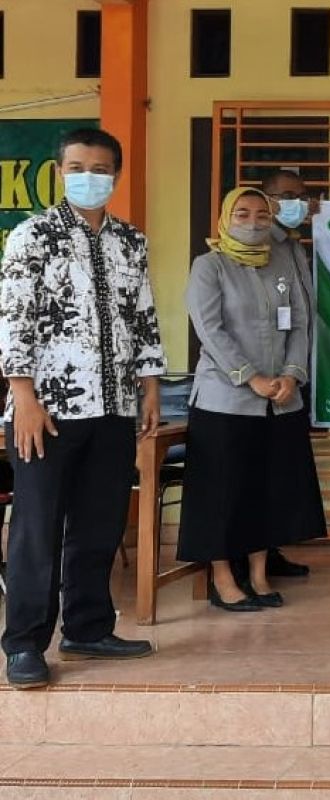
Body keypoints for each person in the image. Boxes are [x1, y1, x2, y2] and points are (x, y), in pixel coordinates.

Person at [0, 128, 164, 688]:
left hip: (115, 405)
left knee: (99, 523)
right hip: (47, 409)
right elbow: (14, 318)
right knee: (37, 528)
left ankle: (88, 627)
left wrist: (149, 386)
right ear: (60, 171)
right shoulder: (32, 237)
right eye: (77, 167)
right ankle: (24, 643)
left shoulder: (131, 242)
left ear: (115, 175)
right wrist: (22, 395)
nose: (88, 177)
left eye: (100, 168)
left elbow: (142, 317)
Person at [177, 187, 327, 612]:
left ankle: (259, 575)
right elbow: (210, 330)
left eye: (262, 215)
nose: (254, 222)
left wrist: (293, 375)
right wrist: (251, 378)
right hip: (225, 401)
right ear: (226, 218)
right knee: (223, 493)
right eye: (242, 214)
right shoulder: (209, 266)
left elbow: (300, 323)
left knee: (267, 490)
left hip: (280, 399)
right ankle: (223, 579)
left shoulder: (281, 261)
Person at [254, 167, 319, 579]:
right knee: (261, 474)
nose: (296, 203)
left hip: (295, 372)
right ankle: (254, 555)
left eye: (302, 195)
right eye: (286, 195)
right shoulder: (258, 245)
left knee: (281, 473)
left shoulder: (294, 244)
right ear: (267, 198)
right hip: (265, 380)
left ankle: (271, 550)